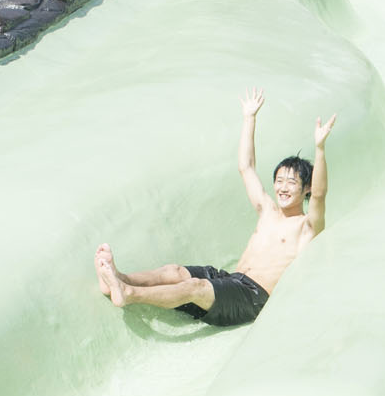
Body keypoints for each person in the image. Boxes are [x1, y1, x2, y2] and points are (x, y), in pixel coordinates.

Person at [95, 90, 336, 327]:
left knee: (195, 288)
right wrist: (249, 119)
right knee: (176, 271)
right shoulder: (267, 211)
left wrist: (320, 149)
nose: (283, 188)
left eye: (291, 182)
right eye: (279, 181)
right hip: (230, 280)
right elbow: (246, 167)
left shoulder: (306, 227)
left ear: (305, 188)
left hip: (253, 298)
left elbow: (320, 194)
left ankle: (128, 293)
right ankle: (119, 279)